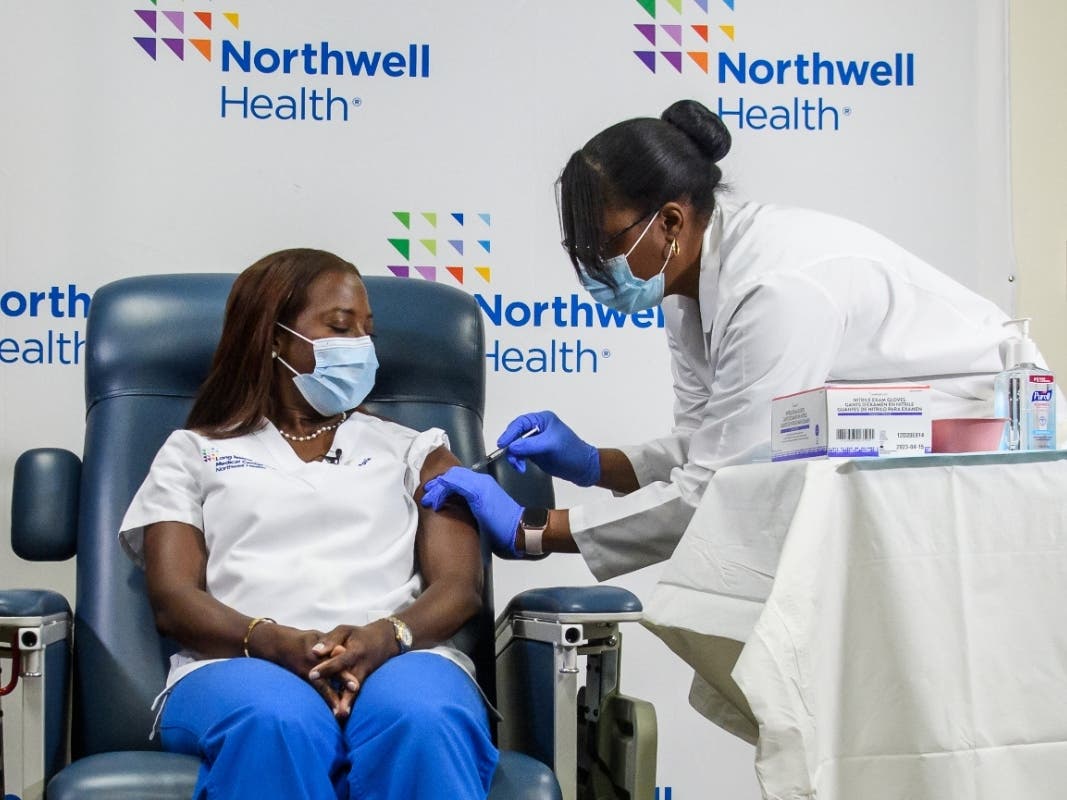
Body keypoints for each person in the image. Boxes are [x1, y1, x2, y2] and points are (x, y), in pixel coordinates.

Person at [422, 98, 1062, 581]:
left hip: (975, 445)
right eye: (580, 248)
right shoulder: (686, 284)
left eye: (606, 243)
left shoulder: (774, 289)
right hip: (891, 449)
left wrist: (534, 531)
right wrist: (596, 464)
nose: (593, 265)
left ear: (670, 220)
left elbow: (718, 490)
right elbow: (716, 446)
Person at [118, 248, 498, 800]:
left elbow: (459, 586)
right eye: (341, 327)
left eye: (368, 330)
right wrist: (270, 641)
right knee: (276, 720)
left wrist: (385, 638)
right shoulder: (192, 452)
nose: (362, 347)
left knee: (424, 716)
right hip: (240, 662)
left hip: (401, 654)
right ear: (273, 337)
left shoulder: (417, 450)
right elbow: (172, 598)